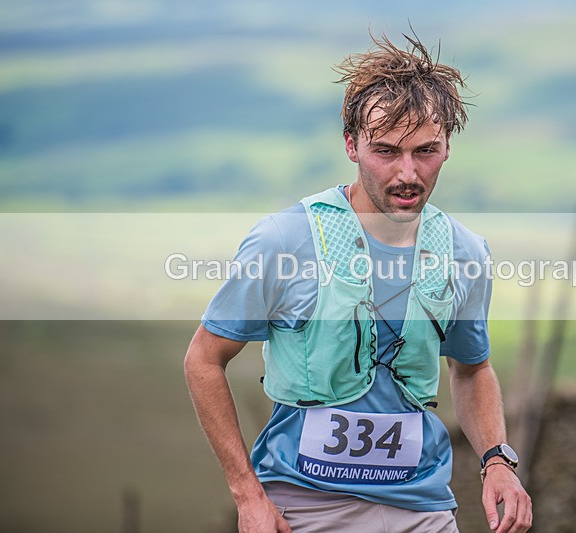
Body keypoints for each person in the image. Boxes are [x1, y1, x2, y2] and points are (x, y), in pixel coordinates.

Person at [184, 32, 533, 533]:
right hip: (303, 507)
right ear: (351, 144)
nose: (407, 172)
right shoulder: (284, 240)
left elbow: (472, 368)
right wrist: (248, 497)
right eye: (386, 151)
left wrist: (497, 461)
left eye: (425, 150)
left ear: (448, 146)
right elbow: (203, 359)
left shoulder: (466, 253)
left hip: (425, 507)